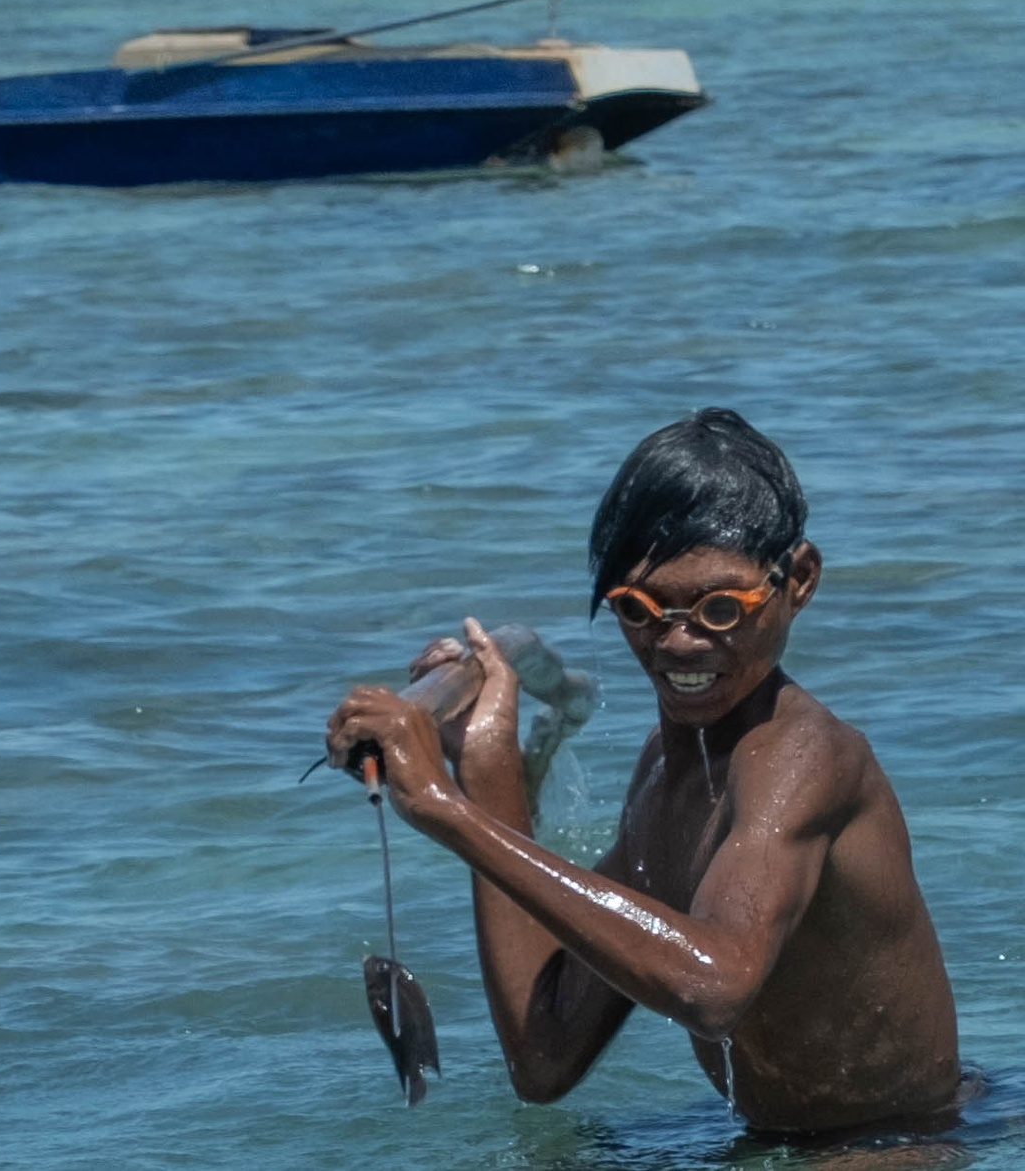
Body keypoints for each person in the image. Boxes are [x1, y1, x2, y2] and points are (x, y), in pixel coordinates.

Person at [324, 408, 963, 1139]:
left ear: (801, 579)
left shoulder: (802, 757)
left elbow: (715, 986)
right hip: (772, 1145)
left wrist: (443, 810)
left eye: (721, 607)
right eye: (641, 608)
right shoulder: (664, 774)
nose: (680, 641)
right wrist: (485, 762)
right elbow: (545, 1055)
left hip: (901, 1146)